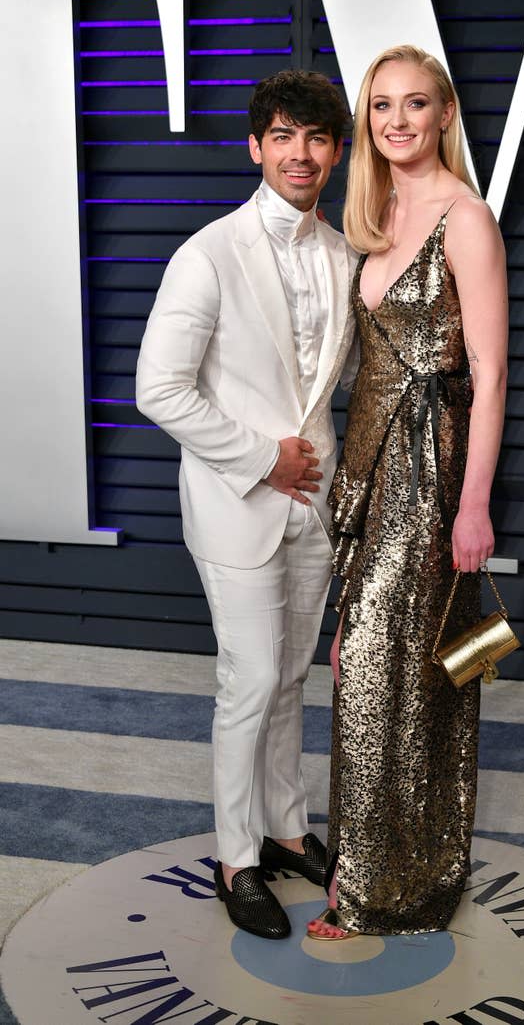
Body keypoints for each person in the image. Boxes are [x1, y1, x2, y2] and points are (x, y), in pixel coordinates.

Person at [136, 70, 357, 941]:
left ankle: (289, 828)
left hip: (315, 506)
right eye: (284, 136)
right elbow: (159, 389)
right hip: (237, 500)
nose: (300, 154)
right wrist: (262, 458)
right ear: (256, 145)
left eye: (318, 139)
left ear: (335, 153)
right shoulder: (208, 253)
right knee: (251, 679)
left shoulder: (343, 253)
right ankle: (236, 856)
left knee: (291, 677)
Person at [307, 45, 508, 940]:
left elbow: (493, 373)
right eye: (381, 106)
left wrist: (473, 506)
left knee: (390, 676)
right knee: (370, 663)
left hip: (432, 477)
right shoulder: (378, 212)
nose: (396, 121)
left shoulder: (466, 218)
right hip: (369, 466)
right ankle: (407, 865)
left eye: (414, 105)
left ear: (445, 115)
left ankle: (375, 893)